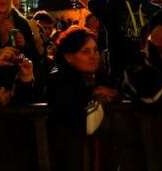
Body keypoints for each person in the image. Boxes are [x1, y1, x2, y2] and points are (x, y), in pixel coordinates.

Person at [46, 27, 118, 171]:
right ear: (68, 56)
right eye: (85, 51)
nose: (93, 56)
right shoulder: (58, 78)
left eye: (95, 50)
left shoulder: (99, 77)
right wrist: (93, 94)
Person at [87, 0, 160, 83]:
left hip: (152, 75)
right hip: (121, 77)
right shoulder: (113, 6)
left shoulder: (155, 10)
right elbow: (95, 4)